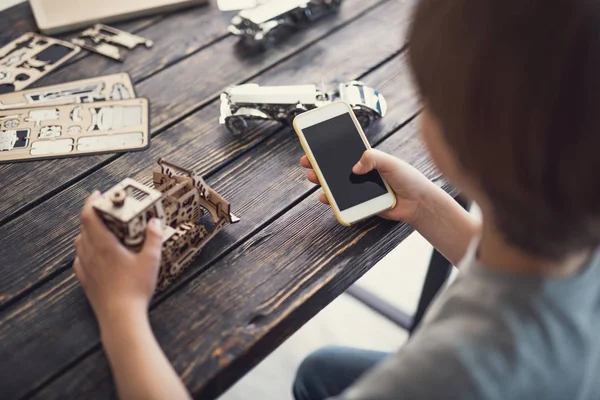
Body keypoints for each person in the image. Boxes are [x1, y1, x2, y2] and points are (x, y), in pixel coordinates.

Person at [74, 0, 600, 399]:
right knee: (320, 371)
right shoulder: (577, 231)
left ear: (466, 144)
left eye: (428, 100)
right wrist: (424, 204)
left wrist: (120, 312)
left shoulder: (451, 373)